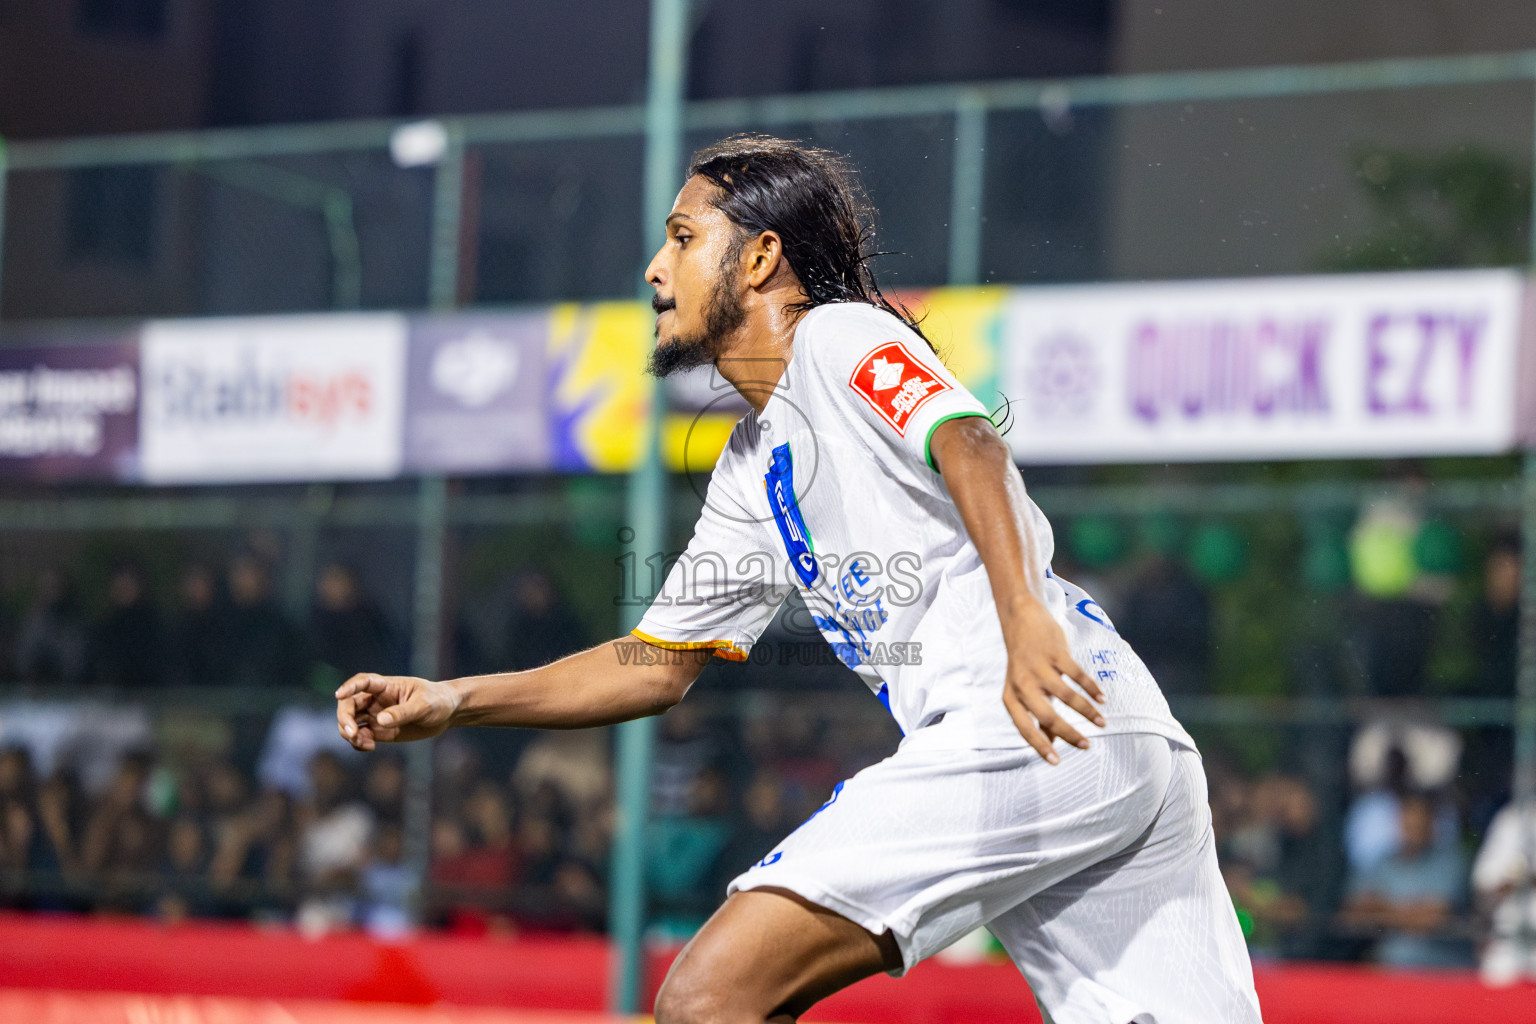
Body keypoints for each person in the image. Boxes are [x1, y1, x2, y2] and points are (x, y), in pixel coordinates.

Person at [337, 136, 1261, 1024]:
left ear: (760, 258)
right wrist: (453, 699)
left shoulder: (838, 339)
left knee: (710, 998)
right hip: (1115, 731)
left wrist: (1022, 614)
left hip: (1025, 714)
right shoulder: (753, 463)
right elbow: (654, 664)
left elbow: (969, 440)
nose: (655, 268)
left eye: (684, 237)